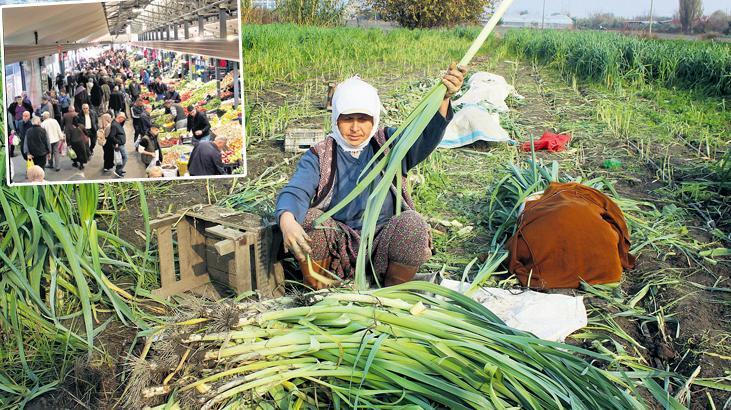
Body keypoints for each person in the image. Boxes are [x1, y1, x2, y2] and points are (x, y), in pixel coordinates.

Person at [275, 64, 466, 289]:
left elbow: (423, 137)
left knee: (412, 223)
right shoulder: (321, 154)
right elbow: (296, 190)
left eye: (363, 119)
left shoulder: (388, 144)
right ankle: (321, 290)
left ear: (374, 119)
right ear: (336, 118)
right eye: (347, 119)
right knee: (309, 220)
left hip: (382, 243)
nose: (355, 128)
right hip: (340, 244)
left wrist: (443, 98)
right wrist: (287, 220)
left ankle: (392, 292)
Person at [107, 112, 128, 178]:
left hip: (121, 144)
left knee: (122, 157)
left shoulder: (117, 123)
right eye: (123, 118)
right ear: (119, 117)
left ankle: (120, 169)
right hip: (120, 145)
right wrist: (118, 142)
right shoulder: (114, 125)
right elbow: (111, 136)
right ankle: (118, 171)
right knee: (125, 157)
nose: (124, 120)